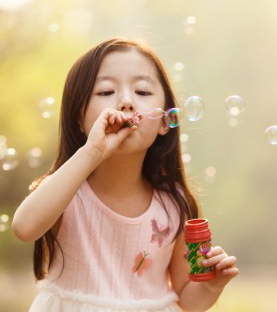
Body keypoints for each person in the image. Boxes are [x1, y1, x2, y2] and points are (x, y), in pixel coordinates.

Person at [12, 37, 239, 312]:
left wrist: (210, 285)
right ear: (78, 118)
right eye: (106, 91)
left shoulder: (173, 206)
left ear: (165, 122)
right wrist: (92, 151)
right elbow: (24, 227)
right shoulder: (66, 192)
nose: (126, 102)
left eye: (142, 92)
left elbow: (186, 301)